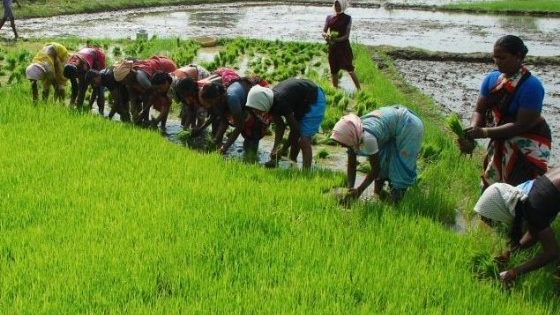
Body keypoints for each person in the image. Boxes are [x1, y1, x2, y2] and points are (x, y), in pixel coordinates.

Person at [463, 35, 551, 189]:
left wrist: (483, 132)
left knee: (519, 191)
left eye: (502, 57)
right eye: (495, 57)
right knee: (490, 189)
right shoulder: (491, 80)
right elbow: (479, 110)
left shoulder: (531, 86)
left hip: (526, 144)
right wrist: (473, 130)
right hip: (500, 138)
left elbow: (520, 126)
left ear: (518, 56)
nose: (497, 61)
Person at [473, 167, 560, 285]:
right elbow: (535, 232)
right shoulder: (530, 198)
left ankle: (507, 254)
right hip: (542, 198)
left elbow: (551, 252)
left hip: (537, 196)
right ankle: (513, 274)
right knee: (551, 251)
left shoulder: (534, 206)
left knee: (539, 238)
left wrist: (513, 272)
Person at [330, 105, 424, 203]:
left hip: (409, 126)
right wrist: (349, 190)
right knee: (383, 158)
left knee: (401, 166)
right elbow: (352, 164)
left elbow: (375, 169)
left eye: (342, 143)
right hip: (393, 126)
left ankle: (396, 202)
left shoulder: (368, 137)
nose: (341, 146)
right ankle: (377, 196)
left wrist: (359, 190)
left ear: (350, 137)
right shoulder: (355, 132)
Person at [245, 78, 326, 169]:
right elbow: (280, 126)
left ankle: (306, 173)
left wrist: (283, 149)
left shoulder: (280, 102)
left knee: (303, 140)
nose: (257, 113)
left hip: (314, 99)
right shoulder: (270, 101)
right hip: (301, 101)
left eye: (257, 110)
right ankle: (293, 163)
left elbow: (295, 130)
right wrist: (276, 148)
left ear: (262, 103)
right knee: (295, 137)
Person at [113, 56, 177, 126]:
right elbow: (133, 98)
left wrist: (144, 113)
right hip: (154, 79)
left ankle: (163, 126)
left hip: (165, 67)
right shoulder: (129, 82)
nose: (123, 83)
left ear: (129, 74)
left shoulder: (141, 78)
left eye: (123, 80)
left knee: (163, 99)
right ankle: (149, 123)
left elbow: (153, 94)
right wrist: (134, 113)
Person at [321, 0, 360, 90]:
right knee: (334, 69)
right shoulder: (329, 17)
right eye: (336, 5)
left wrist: (335, 40)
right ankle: (335, 89)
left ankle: (359, 89)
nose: (337, 7)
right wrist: (326, 36)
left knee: (349, 68)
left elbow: (346, 36)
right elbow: (324, 31)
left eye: (339, 5)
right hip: (332, 47)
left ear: (343, 6)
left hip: (344, 48)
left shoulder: (348, 18)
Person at [64, 45, 106, 111]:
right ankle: (77, 104)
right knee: (79, 86)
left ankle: (91, 106)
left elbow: (83, 88)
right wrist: (71, 104)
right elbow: (74, 87)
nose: (73, 78)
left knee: (96, 86)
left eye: (74, 77)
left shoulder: (83, 67)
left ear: (77, 72)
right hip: (86, 54)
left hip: (96, 57)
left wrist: (78, 105)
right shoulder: (69, 66)